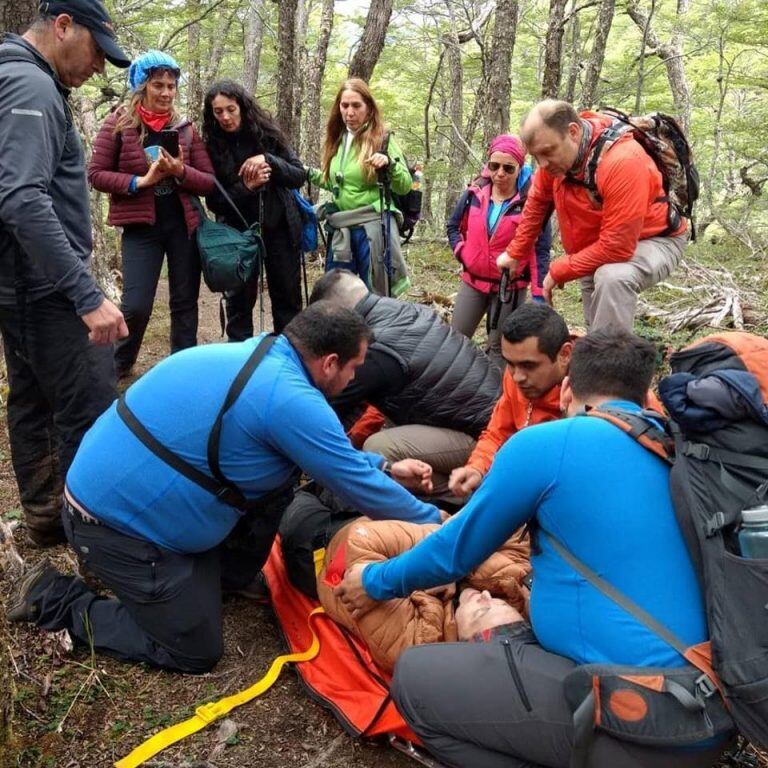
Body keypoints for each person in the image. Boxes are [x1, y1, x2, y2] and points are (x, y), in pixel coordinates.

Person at [336, 330, 728, 768]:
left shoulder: (550, 444)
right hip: (708, 712)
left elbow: (453, 552)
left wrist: (374, 580)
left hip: (636, 721)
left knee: (414, 680)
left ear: (565, 389)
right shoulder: (677, 449)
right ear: (643, 393)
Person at [7, 303, 442, 674]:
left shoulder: (268, 359)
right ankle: (56, 599)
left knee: (279, 476)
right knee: (194, 649)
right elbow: (357, 486)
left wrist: (385, 466)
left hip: (127, 494)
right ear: (329, 362)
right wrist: (439, 526)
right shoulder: (287, 398)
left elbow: (334, 459)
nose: (353, 378)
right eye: (354, 367)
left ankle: (225, 575)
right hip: (106, 524)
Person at [0, 1, 130, 547]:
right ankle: (96, 540)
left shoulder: (16, 78)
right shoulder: (29, 87)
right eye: (97, 51)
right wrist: (85, 293)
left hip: (21, 284)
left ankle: (49, 520)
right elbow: (23, 198)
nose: (99, 67)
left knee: (31, 396)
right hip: (45, 285)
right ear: (62, 26)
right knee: (90, 406)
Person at [498, 100, 688, 331]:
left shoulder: (623, 161)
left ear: (573, 132)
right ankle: (600, 352)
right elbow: (538, 202)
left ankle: (611, 363)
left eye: (547, 152)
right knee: (596, 325)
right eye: (536, 156)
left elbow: (618, 247)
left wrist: (559, 270)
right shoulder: (554, 160)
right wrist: (516, 252)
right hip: (597, 244)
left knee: (612, 278)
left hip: (654, 238)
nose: (543, 164)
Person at [309, 269, 502, 494]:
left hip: (484, 439)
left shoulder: (371, 348)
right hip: (495, 416)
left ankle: (466, 493)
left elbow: (324, 411)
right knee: (380, 432)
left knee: (379, 447)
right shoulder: (403, 309)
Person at [88, 50, 215, 378]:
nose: (166, 92)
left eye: (171, 86)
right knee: (136, 304)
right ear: (142, 86)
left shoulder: (184, 129)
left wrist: (181, 171)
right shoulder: (119, 123)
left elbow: (209, 182)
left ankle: (182, 369)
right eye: (158, 85)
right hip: (140, 227)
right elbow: (97, 173)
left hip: (183, 226)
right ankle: (120, 362)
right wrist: (139, 181)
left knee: (184, 301)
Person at [316, 515, 530, 671]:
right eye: (499, 604)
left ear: (461, 642)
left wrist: (437, 558)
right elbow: (513, 518)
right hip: (396, 513)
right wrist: (449, 563)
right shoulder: (515, 588)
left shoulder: (413, 641)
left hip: (331, 538)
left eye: (479, 613)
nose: (485, 595)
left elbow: (359, 541)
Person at [203, 79, 304, 337]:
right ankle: (241, 365)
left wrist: (268, 160)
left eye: (231, 109)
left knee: (287, 300)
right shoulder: (211, 146)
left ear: (242, 107)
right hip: (237, 234)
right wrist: (246, 187)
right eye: (218, 111)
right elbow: (213, 200)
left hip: (280, 227)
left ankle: (289, 358)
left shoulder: (267, 133)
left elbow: (298, 175)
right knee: (238, 305)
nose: (225, 117)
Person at [446, 134, 551, 367]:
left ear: (519, 167)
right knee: (455, 340)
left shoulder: (531, 202)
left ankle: (494, 400)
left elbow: (540, 250)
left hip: (509, 287)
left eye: (508, 168)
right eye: (494, 166)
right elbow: (453, 226)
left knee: (500, 348)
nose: (500, 173)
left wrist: (538, 293)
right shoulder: (474, 193)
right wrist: (462, 253)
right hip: (473, 281)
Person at [448, 302, 572, 498]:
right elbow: (498, 433)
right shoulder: (516, 377)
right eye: (510, 364)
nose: (517, 377)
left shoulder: (588, 393)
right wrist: (477, 468)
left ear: (564, 354)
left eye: (529, 365)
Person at [308, 78, 411, 297]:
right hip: (342, 229)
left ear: (369, 108)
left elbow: (404, 186)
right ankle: (342, 331)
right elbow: (334, 181)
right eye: (345, 106)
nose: (350, 112)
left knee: (373, 295)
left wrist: (389, 165)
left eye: (356, 106)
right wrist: (305, 172)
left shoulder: (381, 139)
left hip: (371, 229)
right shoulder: (338, 139)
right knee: (337, 294)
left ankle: (376, 332)